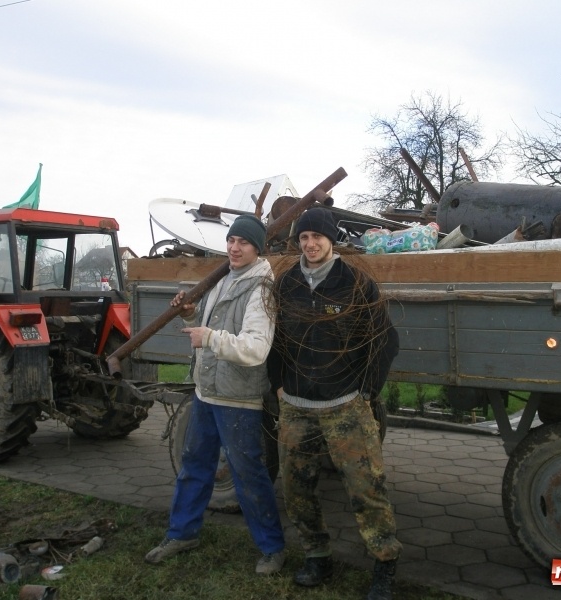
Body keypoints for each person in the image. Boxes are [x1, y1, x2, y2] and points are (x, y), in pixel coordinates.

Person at [267, 206, 402, 600]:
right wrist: (278, 384)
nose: (310, 244)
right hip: (296, 405)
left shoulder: (355, 283)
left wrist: (366, 390)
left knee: (366, 488)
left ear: (331, 240)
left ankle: (384, 564)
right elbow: (275, 338)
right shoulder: (287, 283)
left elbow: (385, 340)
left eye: (317, 237)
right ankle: (317, 556)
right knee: (297, 488)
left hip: (345, 404)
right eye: (304, 238)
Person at [145, 214, 286, 575]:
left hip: (237, 399)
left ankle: (272, 548)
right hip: (207, 392)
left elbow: (255, 348)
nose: (234, 248)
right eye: (231, 241)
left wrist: (208, 336)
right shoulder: (225, 278)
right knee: (194, 466)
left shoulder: (261, 289)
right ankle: (182, 534)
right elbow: (211, 332)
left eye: (243, 243)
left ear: (258, 248)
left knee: (248, 474)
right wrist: (192, 316)